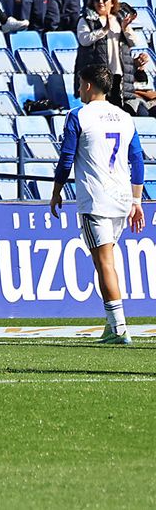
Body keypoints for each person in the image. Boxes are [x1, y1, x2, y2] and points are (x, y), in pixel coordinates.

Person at [51, 66, 146, 346]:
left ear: (89, 86)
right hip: (120, 200)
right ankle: (111, 324)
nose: (79, 89)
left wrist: (56, 192)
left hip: (96, 199)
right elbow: (137, 159)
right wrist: (136, 200)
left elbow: (66, 158)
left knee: (104, 262)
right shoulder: (125, 117)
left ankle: (118, 328)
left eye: (81, 84)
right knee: (105, 260)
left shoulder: (78, 115)